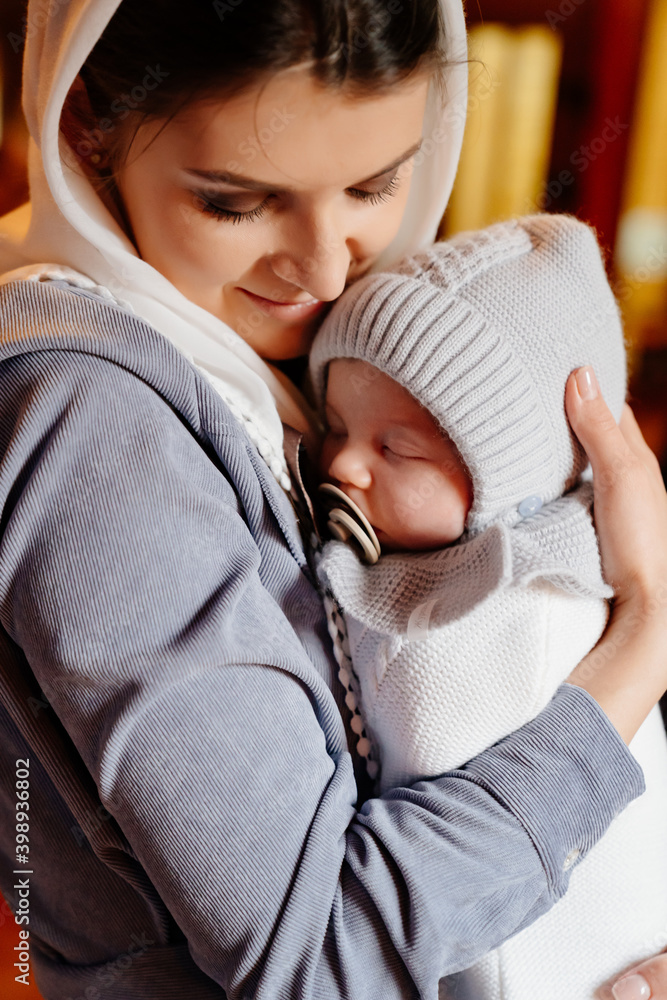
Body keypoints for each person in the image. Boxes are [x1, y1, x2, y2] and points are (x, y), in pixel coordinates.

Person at [0, 1, 666, 998]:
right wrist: (637, 652)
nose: (322, 266)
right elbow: (315, 962)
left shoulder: (264, 357)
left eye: (375, 182)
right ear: (84, 124)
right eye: (236, 201)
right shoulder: (86, 421)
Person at [309, 211, 667, 999]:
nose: (342, 463)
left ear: (508, 481)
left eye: (392, 446)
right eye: (334, 426)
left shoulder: (504, 608)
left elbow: (427, 756)